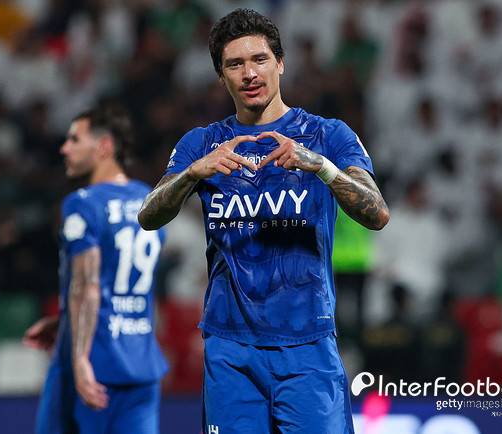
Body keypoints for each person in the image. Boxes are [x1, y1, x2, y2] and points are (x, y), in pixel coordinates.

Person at [138, 8, 389, 434]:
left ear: (281, 63)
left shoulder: (327, 135)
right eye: (235, 64)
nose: (249, 73)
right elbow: (148, 215)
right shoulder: (202, 144)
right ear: (221, 76)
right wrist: (194, 172)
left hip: (307, 343)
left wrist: (321, 166)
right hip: (230, 348)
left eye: (259, 60)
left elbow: (377, 212)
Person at [24, 103, 168, 434]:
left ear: (104, 146)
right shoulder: (149, 199)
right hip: (141, 362)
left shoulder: (83, 203)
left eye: (75, 139)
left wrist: (78, 360)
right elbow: (120, 280)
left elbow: (87, 285)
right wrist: (64, 321)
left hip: (93, 362)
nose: (64, 148)